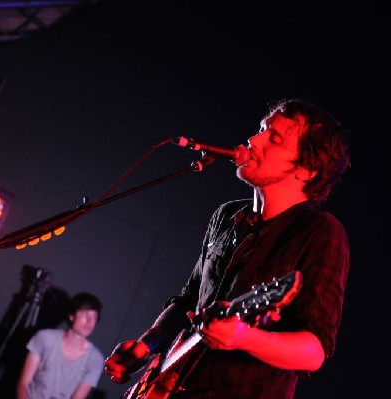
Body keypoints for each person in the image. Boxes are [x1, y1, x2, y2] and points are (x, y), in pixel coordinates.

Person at [104, 98, 351, 399]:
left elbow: (313, 351)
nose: (254, 139)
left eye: (273, 138)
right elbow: (188, 302)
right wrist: (147, 344)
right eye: (261, 129)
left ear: (306, 170)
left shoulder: (319, 232)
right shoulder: (226, 215)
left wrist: (243, 338)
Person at [17, 291, 105, 399]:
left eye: (94, 317)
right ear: (72, 316)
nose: (90, 321)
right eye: (84, 314)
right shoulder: (45, 338)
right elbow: (24, 383)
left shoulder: (95, 359)